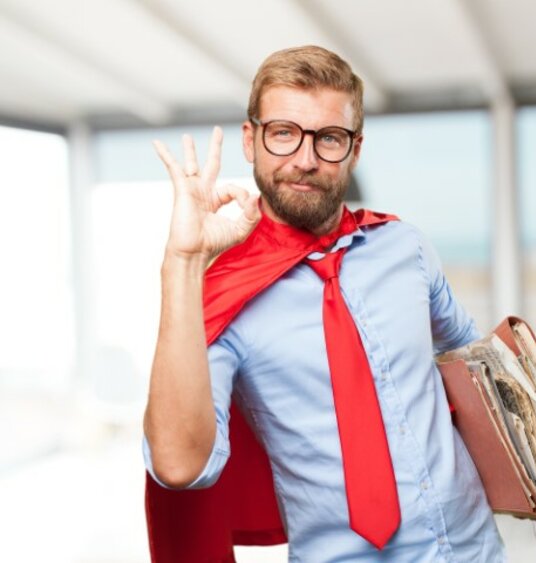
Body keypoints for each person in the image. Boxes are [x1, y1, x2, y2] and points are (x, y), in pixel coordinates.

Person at [142, 45, 505, 562]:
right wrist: (182, 259)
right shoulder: (222, 291)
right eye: (284, 133)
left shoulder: (406, 246)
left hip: (474, 549)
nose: (306, 160)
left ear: (355, 150)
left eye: (329, 138)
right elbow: (180, 466)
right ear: (251, 141)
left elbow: (474, 358)